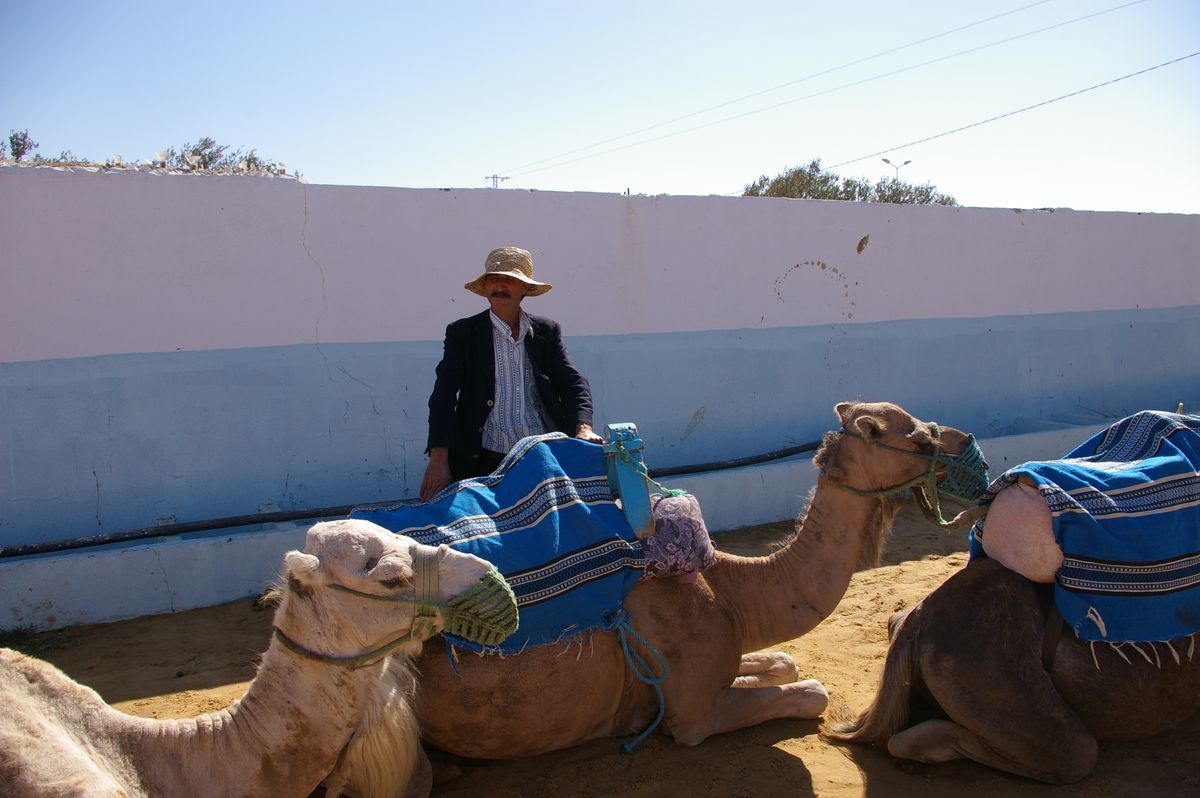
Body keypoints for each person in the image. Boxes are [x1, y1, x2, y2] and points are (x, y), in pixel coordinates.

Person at [420, 246, 603, 500]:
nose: (500, 286)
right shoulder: (463, 333)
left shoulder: (545, 331)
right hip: (483, 458)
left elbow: (573, 382)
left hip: (542, 455)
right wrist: (439, 458)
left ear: (524, 288)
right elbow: (443, 395)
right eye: (493, 279)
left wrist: (583, 427)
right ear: (485, 287)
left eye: (509, 280)